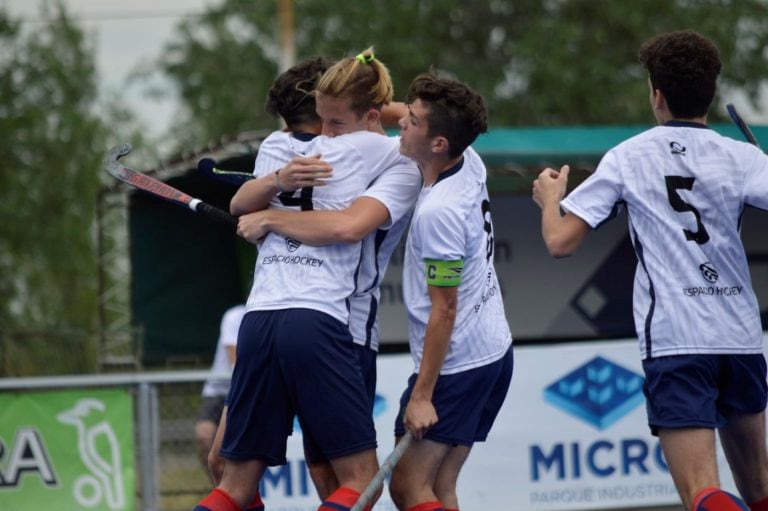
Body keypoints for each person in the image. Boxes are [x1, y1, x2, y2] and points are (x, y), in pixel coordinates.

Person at [532, 30, 768, 511]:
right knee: (760, 490)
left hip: (677, 339)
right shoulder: (742, 156)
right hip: (740, 337)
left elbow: (559, 242)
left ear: (656, 95)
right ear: (710, 92)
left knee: (701, 491)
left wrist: (549, 200)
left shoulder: (628, 156)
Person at [193, 50, 415, 511]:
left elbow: (248, 208)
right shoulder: (386, 151)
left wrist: (271, 211)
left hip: (263, 320)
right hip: (330, 324)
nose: (330, 134)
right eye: (324, 120)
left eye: (335, 120)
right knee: (355, 481)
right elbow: (422, 124)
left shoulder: (275, 149)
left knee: (232, 476)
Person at [385, 74, 514, 511]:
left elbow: (445, 308)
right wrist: (358, 110)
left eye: (412, 120)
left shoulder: (439, 212)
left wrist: (422, 395)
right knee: (438, 488)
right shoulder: (467, 155)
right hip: (490, 349)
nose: (401, 122)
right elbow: (403, 115)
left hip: (459, 364)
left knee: (407, 486)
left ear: (438, 143)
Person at [195, 304, 245, 481]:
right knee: (204, 435)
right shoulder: (234, 316)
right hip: (220, 391)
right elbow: (235, 360)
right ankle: (219, 487)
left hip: (250, 390)